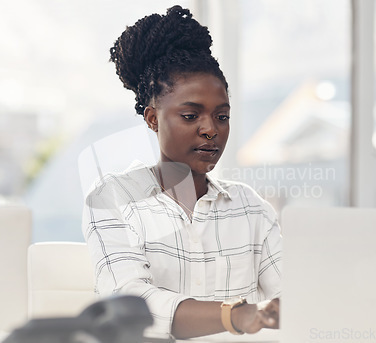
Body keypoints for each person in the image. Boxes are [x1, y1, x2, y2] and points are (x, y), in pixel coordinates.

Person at [82, 5, 282, 339]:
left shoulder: (251, 207)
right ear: (153, 118)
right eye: (191, 116)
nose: (210, 130)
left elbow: (294, 300)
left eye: (222, 116)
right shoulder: (112, 198)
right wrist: (236, 315)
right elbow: (133, 306)